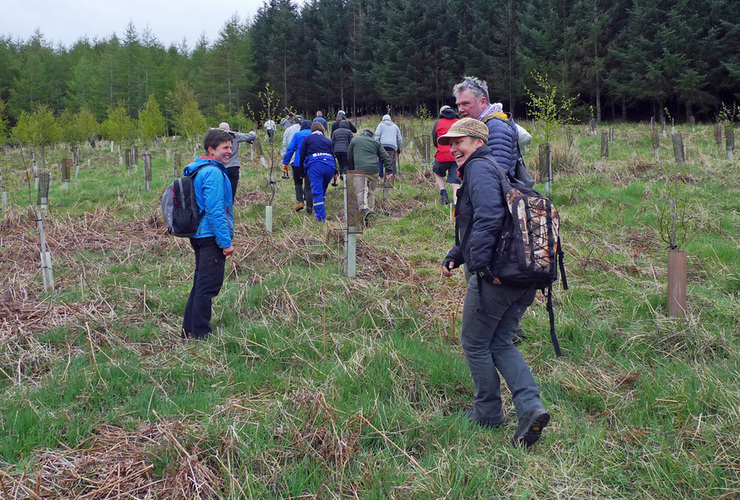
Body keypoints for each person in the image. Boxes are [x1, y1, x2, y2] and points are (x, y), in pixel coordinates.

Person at [439, 118, 550, 448]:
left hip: (498, 275)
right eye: (450, 143)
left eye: (460, 141)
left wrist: (481, 267)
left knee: (474, 342)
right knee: (500, 342)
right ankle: (531, 408)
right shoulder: (495, 168)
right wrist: (458, 252)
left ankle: (487, 412)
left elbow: (489, 216)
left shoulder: (478, 169)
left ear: (477, 142)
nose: (453, 148)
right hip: (523, 275)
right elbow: (481, 219)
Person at [181, 128, 236, 340]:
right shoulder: (213, 172)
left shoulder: (201, 169)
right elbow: (215, 211)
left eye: (230, 147)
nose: (229, 151)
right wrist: (225, 242)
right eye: (225, 148)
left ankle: (189, 331)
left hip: (200, 234)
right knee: (207, 287)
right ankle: (200, 334)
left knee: (200, 284)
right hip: (209, 236)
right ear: (211, 150)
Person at [452, 77, 520, 179]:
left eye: (466, 103)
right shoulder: (481, 126)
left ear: (482, 102)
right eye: (458, 105)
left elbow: (497, 175)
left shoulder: (496, 127)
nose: (460, 110)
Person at [346, 129, 392, 224]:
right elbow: (385, 157)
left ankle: (364, 210)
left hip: (360, 170)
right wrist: (389, 170)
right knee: (371, 191)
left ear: (362, 133)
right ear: (371, 136)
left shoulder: (354, 140)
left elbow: (349, 157)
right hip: (374, 171)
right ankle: (370, 213)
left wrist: (351, 169)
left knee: (361, 191)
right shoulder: (376, 143)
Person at [299, 122, 337, 222]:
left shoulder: (308, 138)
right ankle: (321, 208)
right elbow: (333, 155)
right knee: (323, 189)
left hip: (315, 165)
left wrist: (302, 172)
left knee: (317, 192)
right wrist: (335, 172)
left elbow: (302, 155)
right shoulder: (327, 140)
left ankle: (320, 218)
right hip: (329, 165)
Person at [282, 119, 314, 214]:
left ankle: (300, 202)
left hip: (297, 162)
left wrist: (285, 162)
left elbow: (290, 149)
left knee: (298, 182)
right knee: (308, 186)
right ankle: (309, 208)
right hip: (311, 162)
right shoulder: (313, 133)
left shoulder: (297, 135)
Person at [218, 122, 255, 200]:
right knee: (231, 192)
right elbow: (251, 136)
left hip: (221, 167)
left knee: (221, 191)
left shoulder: (216, 138)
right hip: (233, 167)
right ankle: (230, 208)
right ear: (229, 129)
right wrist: (252, 132)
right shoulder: (235, 136)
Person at [432, 105, 461, 205]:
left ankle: (443, 193)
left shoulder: (438, 123)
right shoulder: (459, 122)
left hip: (442, 156)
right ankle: (456, 207)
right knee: (456, 182)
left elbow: (435, 141)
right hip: (457, 155)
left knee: (437, 171)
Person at [374, 114, 402, 178]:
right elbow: (399, 139)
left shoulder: (381, 125)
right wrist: (399, 148)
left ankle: (380, 176)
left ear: (383, 119)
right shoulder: (395, 126)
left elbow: (377, 136)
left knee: (381, 160)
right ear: (390, 119)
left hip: (382, 146)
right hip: (392, 146)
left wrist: (376, 146)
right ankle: (393, 175)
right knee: (392, 161)